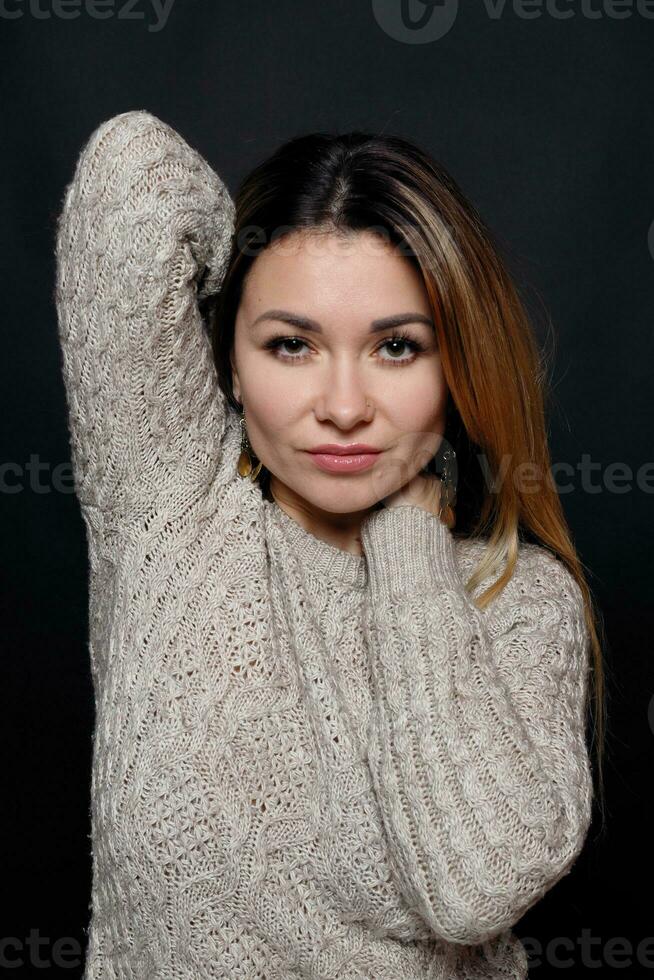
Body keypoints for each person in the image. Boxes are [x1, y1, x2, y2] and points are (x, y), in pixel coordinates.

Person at [54, 110, 605, 979]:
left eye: (395, 346)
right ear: (231, 364)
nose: (343, 405)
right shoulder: (170, 513)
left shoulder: (518, 600)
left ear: (454, 364)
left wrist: (411, 547)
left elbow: (476, 888)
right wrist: (258, 238)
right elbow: (131, 176)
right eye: (290, 344)